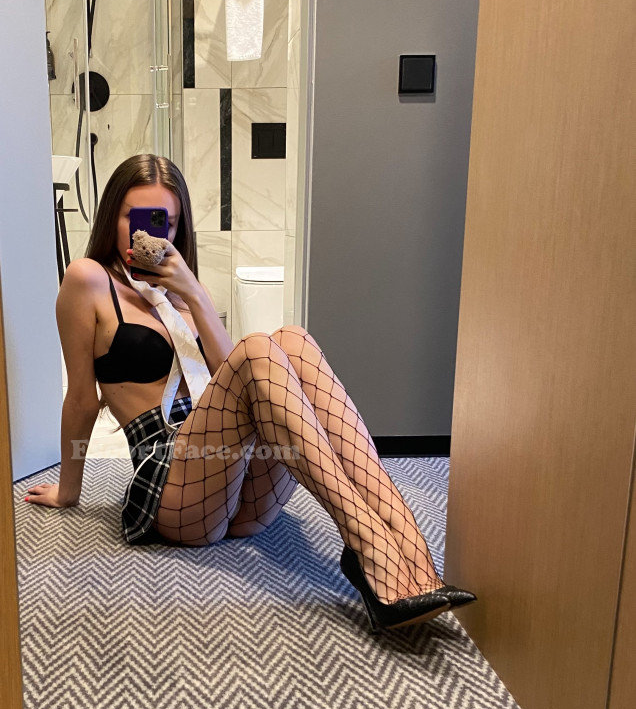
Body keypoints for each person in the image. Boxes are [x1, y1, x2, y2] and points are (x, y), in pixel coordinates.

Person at [26, 154, 476, 632]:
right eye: (136, 217)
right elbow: (82, 398)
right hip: (176, 490)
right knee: (260, 346)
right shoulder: (89, 280)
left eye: (166, 222)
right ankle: (372, 549)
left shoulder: (182, 289)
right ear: (111, 215)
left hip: (238, 489)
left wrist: (195, 294)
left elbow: (234, 378)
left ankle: (412, 551)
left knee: (294, 341)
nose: (150, 234)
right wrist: (69, 492)